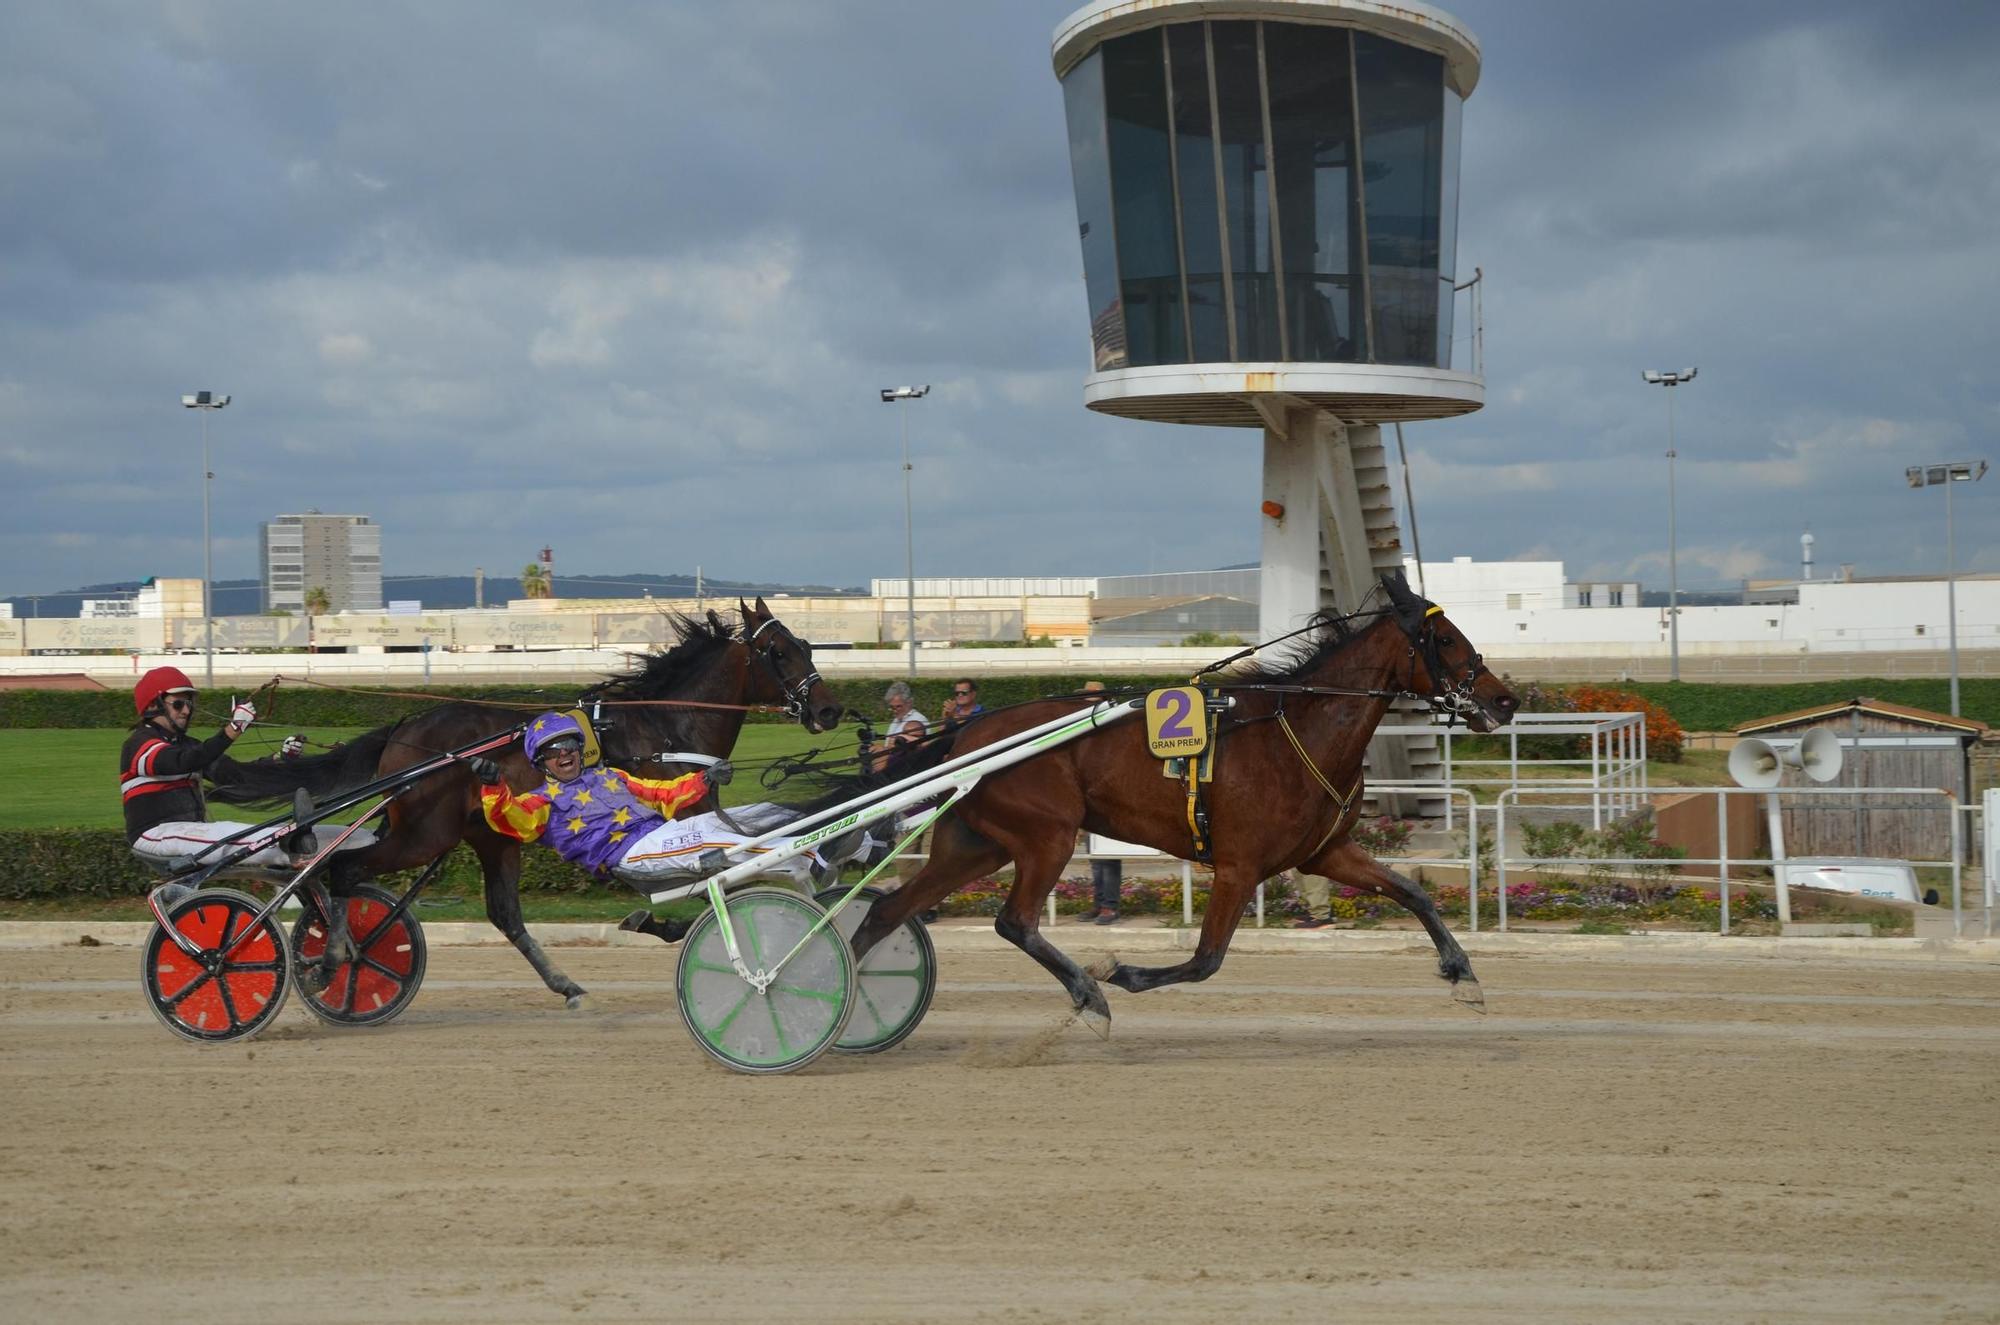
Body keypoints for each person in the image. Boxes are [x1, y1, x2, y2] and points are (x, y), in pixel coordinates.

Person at [472, 712, 862, 906]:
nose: (565, 756)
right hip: (633, 855)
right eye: (554, 752)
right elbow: (511, 820)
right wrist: (494, 785)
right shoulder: (542, 802)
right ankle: (811, 857)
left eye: (570, 747)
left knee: (759, 812)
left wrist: (705, 780)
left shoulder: (612, 777)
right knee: (720, 841)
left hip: (662, 835)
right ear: (541, 762)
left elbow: (662, 792)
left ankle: (856, 842)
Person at [123, 666, 357, 876]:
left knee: (260, 834)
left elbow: (235, 775)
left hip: (189, 831)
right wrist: (233, 729)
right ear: (153, 706)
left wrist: (280, 759)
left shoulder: (187, 744)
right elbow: (183, 762)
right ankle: (295, 850)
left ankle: (351, 841)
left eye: (189, 703)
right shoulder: (140, 744)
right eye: (178, 704)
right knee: (233, 835)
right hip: (154, 835)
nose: (186, 710)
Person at [1080, 681, 1122, 925]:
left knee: (1107, 857)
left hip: (1108, 797)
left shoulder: (1107, 722)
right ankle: (1100, 904)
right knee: (1095, 858)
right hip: (1091, 797)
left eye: (1091, 695)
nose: (1087, 699)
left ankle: (1110, 906)